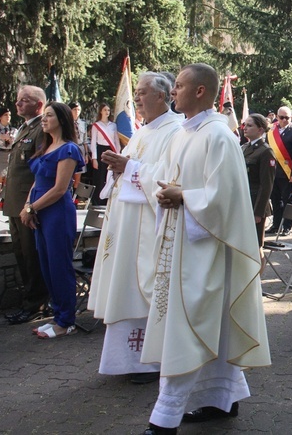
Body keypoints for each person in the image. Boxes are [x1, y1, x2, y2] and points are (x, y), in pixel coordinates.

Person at [141, 64, 270, 435]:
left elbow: (227, 199)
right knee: (207, 327)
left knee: (189, 327)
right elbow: (164, 179)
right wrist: (165, 195)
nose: (173, 92)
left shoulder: (219, 136)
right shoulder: (183, 134)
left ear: (200, 91)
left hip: (206, 252)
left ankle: (163, 420)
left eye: (179, 86)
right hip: (179, 243)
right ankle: (222, 399)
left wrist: (184, 197)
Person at [88, 72, 182, 383]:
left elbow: (170, 176)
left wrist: (128, 168)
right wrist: (118, 167)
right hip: (127, 226)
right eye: (137, 93)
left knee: (144, 288)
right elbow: (130, 169)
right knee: (125, 287)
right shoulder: (142, 132)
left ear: (163, 96)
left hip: (147, 228)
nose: (137, 99)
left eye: (143, 93)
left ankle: (149, 361)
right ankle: (127, 360)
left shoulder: (174, 131)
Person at [20, 102, 85, 338]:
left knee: (59, 266)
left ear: (62, 119)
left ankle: (66, 321)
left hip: (57, 213)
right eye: (43, 115)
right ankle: (57, 315)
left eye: (49, 115)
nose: (44, 119)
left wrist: (32, 208)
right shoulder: (46, 147)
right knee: (46, 265)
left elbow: (59, 189)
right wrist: (29, 207)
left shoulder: (68, 149)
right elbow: (37, 181)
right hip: (40, 212)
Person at [2, 86, 50, 325]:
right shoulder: (24, 127)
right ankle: (30, 300)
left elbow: (39, 169)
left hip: (27, 202)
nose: (18, 104)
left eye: (24, 100)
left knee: (31, 256)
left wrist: (31, 204)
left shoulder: (41, 128)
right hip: (13, 200)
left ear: (38, 105)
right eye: (18, 100)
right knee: (21, 254)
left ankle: (36, 304)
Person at [265, 105, 292, 236]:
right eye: (281, 117)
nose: (284, 120)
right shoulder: (271, 130)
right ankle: (276, 225)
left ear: (291, 117)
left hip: (287, 172)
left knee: (287, 200)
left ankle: (287, 226)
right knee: (275, 200)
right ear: (277, 116)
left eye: (287, 118)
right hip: (273, 172)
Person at [241, 114, 276, 254]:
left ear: (260, 130)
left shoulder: (266, 151)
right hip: (244, 201)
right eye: (245, 124)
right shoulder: (244, 147)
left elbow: (266, 184)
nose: (245, 128)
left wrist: (258, 212)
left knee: (255, 246)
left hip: (255, 203)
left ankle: (257, 275)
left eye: (250, 125)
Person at [90, 103, 121, 205]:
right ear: (101, 111)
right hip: (100, 151)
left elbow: (116, 141)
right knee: (100, 176)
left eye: (108, 110)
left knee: (110, 175)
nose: (107, 112)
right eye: (105, 110)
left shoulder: (113, 125)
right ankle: (97, 200)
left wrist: (118, 154)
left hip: (111, 150)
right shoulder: (96, 125)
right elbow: (93, 142)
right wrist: (94, 158)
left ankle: (107, 200)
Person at [68, 102, 89, 189]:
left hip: (80, 148)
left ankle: (75, 200)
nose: (77, 111)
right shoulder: (66, 123)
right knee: (69, 175)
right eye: (74, 109)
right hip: (70, 147)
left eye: (78, 109)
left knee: (78, 175)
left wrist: (86, 154)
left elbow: (84, 140)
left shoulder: (83, 123)